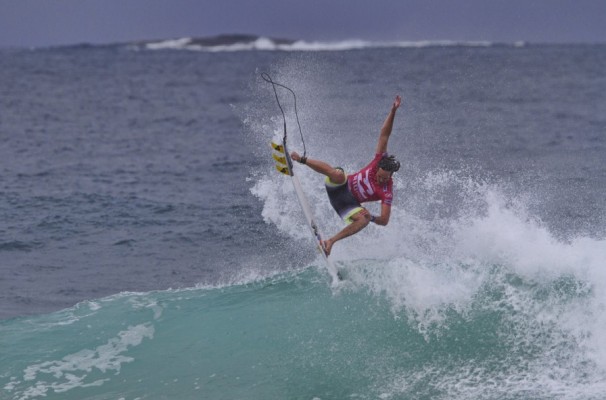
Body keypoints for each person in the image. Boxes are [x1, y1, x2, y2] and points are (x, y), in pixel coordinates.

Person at [291, 95, 402, 255]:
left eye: (386, 178)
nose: (382, 179)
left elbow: (384, 220)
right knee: (339, 174)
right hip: (338, 186)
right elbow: (384, 134)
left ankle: (330, 242)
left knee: (363, 220)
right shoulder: (379, 159)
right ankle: (300, 159)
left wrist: (371, 217)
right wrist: (393, 111)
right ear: (378, 167)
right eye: (380, 175)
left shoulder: (386, 191)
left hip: (347, 205)